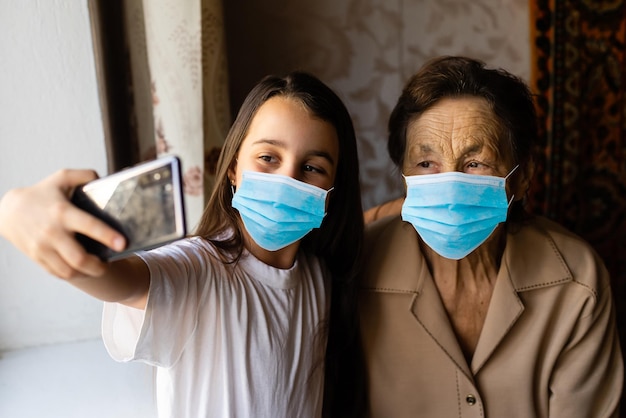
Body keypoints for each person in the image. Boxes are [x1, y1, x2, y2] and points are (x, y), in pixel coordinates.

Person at [0, 71, 364, 418]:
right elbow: (117, 279)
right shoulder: (198, 269)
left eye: (312, 168)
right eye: (268, 157)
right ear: (234, 167)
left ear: (331, 193)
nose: (287, 179)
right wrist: (15, 211)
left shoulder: (319, 274)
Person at [357, 56, 624, 417]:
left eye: (475, 164)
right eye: (426, 165)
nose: (449, 186)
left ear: (522, 175)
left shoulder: (576, 282)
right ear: (403, 176)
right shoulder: (356, 268)